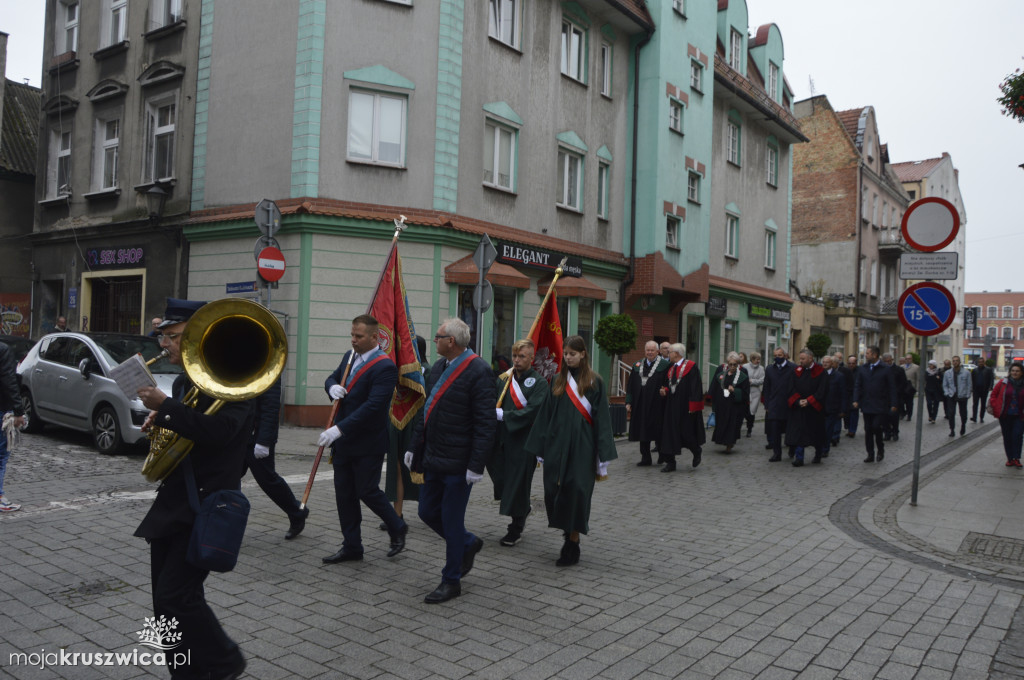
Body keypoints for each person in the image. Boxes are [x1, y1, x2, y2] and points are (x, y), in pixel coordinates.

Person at [135, 298, 251, 680]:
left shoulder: (236, 380)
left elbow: (220, 433)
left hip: (207, 502)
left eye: (172, 336)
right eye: (163, 336)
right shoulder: (188, 380)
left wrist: (168, 407)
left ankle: (223, 661)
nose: (164, 344)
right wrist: (162, 421)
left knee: (175, 596)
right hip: (175, 501)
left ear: (198, 337)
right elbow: (191, 427)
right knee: (165, 601)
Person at [405, 318, 495, 603]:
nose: (434, 340)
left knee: (451, 521)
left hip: (459, 462)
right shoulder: (439, 369)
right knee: (426, 512)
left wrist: (476, 465)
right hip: (434, 456)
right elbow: (426, 410)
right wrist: (413, 445)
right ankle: (468, 543)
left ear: (451, 342)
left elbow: (485, 422)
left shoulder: (479, 370)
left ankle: (451, 580)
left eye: (438, 336)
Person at [320, 314, 408, 564]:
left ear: (373, 337)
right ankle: (352, 546)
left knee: (367, 490)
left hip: (368, 441)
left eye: (358, 336)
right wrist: (331, 388)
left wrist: (338, 429)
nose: (354, 340)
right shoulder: (349, 357)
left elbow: (373, 406)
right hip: (344, 441)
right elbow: (332, 378)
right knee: (344, 494)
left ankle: (397, 525)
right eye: (352, 335)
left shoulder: (385, 366)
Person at [524, 335, 616, 566]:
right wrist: (540, 447)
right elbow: (546, 415)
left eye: (572, 354)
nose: (568, 357)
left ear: (583, 354)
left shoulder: (595, 382)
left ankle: (572, 542)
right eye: (565, 354)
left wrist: (602, 455)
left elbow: (602, 419)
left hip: (582, 448)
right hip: (556, 445)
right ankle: (566, 531)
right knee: (554, 492)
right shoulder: (557, 380)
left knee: (577, 492)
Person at [491, 339, 549, 546]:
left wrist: (505, 415)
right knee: (502, 480)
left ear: (532, 358)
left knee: (518, 484)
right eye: (514, 355)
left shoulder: (540, 384)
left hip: (524, 441)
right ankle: (522, 509)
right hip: (501, 440)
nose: (517, 360)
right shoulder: (503, 380)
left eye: (522, 356)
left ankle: (515, 527)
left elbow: (533, 411)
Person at [243, 378, 308, 540]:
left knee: (267, 480)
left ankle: (297, 512)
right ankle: (221, 521)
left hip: (257, 438)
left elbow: (270, 407)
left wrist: (263, 441)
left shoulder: (268, 363)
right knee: (225, 479)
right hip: (237, 433)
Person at [382, 335, 428, 527]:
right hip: (399, 422)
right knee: (397, 468)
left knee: (423, 470)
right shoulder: (397, 371)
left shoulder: (428, 371)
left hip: (419, 426)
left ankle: (434, 509)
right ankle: (397, 514)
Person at [656, 342, 705, 472]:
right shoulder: (671, 368)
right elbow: (670, 385)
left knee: (686, 433)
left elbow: (696, 387)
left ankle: (696, 450)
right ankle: (670, 462)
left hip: (686, 407)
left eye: (670, 352)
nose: (668, 354)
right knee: (668, 434)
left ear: (676, 354)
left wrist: (694, 406)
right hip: (671, 406)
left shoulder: (691, 366)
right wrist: (665, 390)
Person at [626, 340, 669, 466]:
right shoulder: (637, 365)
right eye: (647, 350)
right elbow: (630, 386)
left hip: (657, 405)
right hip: (640, 404)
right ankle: (646, 458)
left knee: (658, 430)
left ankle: (662, 454)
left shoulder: (664, 366)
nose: (649, 352)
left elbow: (667, 384)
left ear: (658, 351)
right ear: (644, 351)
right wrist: (628, 401)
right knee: (642, 430)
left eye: (652, 350)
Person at [852, 346, 898, 463]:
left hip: (880, 405)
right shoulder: (863, 369)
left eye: (867, 353)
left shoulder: (885, 369)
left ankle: (880, 449)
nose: (865, 355)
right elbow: (858, 385)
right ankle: (870, 454)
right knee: (868, 429)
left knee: (876, 427)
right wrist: (856, 399)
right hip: (867, 404)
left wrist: (893, 403)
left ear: (875, 355)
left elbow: (892, 387)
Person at [785, 349, 828, 466]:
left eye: (803, 359)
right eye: (800, 358)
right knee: (799, 434)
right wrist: (798, 401)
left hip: (814, 409)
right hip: (800, 408)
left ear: (810, 358)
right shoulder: (796, 371)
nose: (801, 361)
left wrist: (809, 401)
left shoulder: (821, 372)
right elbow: (791, 388)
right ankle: (799, 458)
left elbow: (822, 390)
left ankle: (818, 454)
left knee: (816, 433)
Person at [0, 339, 27, 512]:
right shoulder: (3, 350)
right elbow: (8, 380)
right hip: (2, 408)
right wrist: (18, 410)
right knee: (1, 456)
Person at [710, 352, 748, 453]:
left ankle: (729, 444)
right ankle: (723, 440)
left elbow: (745, 393)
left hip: (734, 406)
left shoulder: (743, 376)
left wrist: (735, 391)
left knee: (732, 425)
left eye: (734, 364)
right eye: (730, 364)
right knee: (722, 423)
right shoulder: (721, 375)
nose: (732, 366)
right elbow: (715, 388)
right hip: (722, 404)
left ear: (738, 364)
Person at [988, 362, 1024, 467]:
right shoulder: (1003, 382)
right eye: (1013, 371)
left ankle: (1016, 458)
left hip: (1020, 415)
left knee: (1017, 436)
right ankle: (1010, 458)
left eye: (1017, 371)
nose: (1015, 373)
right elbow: (993, 394)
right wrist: (996, 405)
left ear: (1021, 372)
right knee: (1007, 436)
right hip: (1005, 415)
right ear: (1010, 372)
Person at [763, 347, 795, 462]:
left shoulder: (793, 368)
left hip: (789, 405)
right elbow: (766, 388)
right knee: (775, 431)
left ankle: (792, 448)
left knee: (790, 430)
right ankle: (777, 453)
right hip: (774, 405)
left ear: (785, 356)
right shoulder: (770, 369)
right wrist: (767, 404)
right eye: (775, 356)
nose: (777, 358)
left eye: (780, 355)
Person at [820, 356, 846, 457]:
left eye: (827, 362)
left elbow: (843, 393)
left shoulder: (839, 376)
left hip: (832, 407)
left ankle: (825, 449)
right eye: (823, 362)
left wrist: (843, 409)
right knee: (820, 429)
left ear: (832, 364)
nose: (825, 364)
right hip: (819, 407)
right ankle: (820, 447)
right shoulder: (819, 374)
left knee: (828, 429)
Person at [942, 355, 971, 437]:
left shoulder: (966, 373)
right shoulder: (948, 373)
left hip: (962, 395)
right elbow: (945, 385)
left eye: (957, 360)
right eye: (954, 361)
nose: (955, 362)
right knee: (951, 413)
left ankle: (963, 425)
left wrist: (967, 394)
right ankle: (952, 429)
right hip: (951, 395)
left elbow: (969, 385)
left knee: (963, 413)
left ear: (960, 362)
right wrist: (947, 393)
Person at [882, 353, 906, 442]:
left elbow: (903, 383)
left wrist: (897, 392)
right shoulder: (882, 370)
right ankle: (887, 433)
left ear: (892, 360)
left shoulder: (899, 370)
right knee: (884, 417)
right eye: (886, 361)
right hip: (884, 397)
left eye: (889, 361)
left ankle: (895, 432)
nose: (888, 363)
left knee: (894, 416)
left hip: (895, 397)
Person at [742, 352, 765, 438]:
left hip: (755, 392)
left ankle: (749, 429)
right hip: (746, 391)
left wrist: (752, 381)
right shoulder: (745, 367)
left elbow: (762, 380)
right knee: (745, 410)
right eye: (756, 359)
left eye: (759, 359)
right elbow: (742, 377)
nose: (758, 361)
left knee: (752, 411)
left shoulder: (761, 368)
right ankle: (745, 424)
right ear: (752, 359)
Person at [971, 356, 995, 423]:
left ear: (984, 362)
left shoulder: (988, 370)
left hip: (984, 389)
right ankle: (974, 417)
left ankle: (981, 417)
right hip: (976, 390)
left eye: (982, 362)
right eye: (979, 362)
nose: (980, 363)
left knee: (983, 404)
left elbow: (991, 379)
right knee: (975, 404)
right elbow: (972, 380)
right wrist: (971, 388)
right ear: (978, 363)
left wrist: (991, 386)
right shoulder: (974, 370)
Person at [842, 354, 859, 438]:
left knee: (854, 412)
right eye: (849, 363)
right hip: (846, 394)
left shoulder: (860, 371)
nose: (851, 365)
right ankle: (848, 426)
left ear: (856, 363)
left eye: (853, 363)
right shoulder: (844, 371)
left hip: (855, 395)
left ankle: (852, 430)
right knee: (846, 413)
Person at [903, 354, 919, 422]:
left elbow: (918, 378)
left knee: (909, 403)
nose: (908, 360)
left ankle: (909, 415)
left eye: (909, 359)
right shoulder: (902, 367)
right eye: (906, 359)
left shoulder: (916, 367)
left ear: (911, 359)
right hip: (903, 387)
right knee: (901, 402)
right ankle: (903, 412)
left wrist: (917, 388)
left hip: (911, 388)